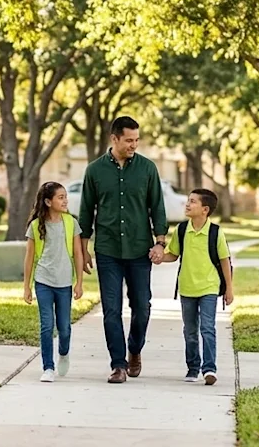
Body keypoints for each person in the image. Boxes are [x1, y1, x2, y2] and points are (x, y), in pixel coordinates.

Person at [77, 116, 169, 384]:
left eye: (137, 140)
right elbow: (85, 213)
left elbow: (158, 207)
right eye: (129, 140)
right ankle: (118, 365)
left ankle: (135, 349)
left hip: (140, 250)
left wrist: (160, 242)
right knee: (111, 310)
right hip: (107, 249)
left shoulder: (147, 169)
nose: (134, 145)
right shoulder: (94, 171)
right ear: (114, 139)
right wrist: (83, 250)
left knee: (142, 307)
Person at [155, 188, 234, 385]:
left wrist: (229, 289)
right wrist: (159, 258)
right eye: (188, 201)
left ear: (205, 209)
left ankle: (209, 369)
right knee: (190, 330)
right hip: (187, 288)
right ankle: (192, 367)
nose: (187, 204)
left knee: (207, 328)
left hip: (209, 287)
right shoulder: (182, 230)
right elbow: (173, 254)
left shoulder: (215, 232)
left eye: (192, 202)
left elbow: (225, 261)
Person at [24, 182, 85, 383]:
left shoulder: (71, 223)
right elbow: (29, 257)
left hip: (64, 282)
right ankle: (48, 367)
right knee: (46, 326)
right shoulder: (35, 226)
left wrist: (79, 282)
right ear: (48, 202)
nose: (65, 200)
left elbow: (78, 253)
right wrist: (27, 287)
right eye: (60, 197)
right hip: (43, 280)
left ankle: (64, 353)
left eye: (65, 196)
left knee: (64, 327)